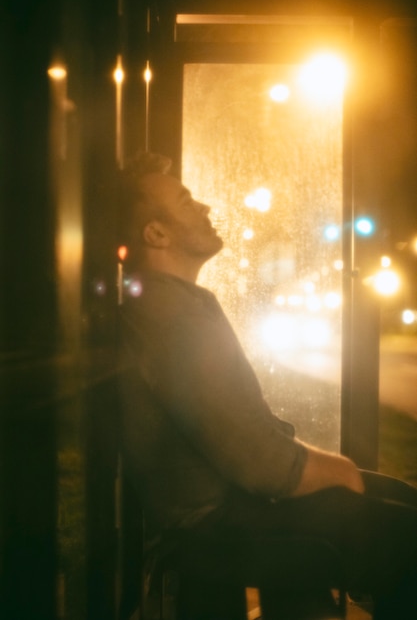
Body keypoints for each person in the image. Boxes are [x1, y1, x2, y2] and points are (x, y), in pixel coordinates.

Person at [117, 152, 417, 619]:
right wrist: (338, 470)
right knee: (405, 536)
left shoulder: (174, 305)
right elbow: (260, 464)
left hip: (225, 506)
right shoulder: (172, 318)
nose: (205, 208)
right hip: (215, 521)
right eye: (186, 201)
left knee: (400, 498)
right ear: (156, 233)